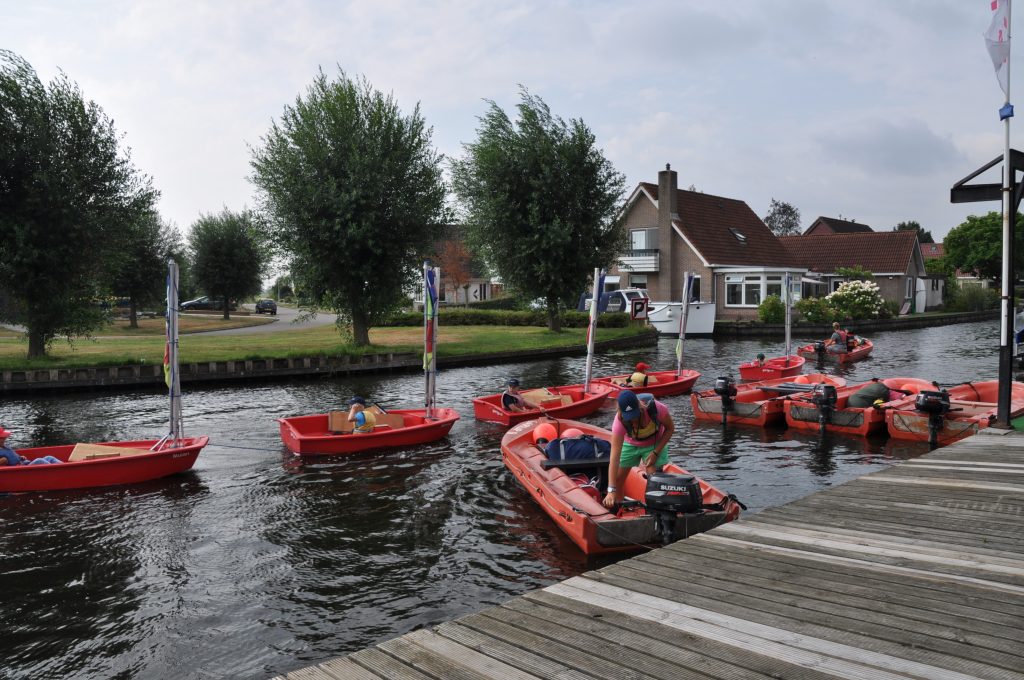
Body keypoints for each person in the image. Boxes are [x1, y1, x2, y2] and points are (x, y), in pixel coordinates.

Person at [602, 390, 675, 509]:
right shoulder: (619, 422)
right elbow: (614, 458)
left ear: (640, 406)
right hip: (630, 444)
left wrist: (656, 452)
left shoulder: (658, 408)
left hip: (654, 443)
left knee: (654, 478)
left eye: (635, 415)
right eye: (629, 417)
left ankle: (654, 510)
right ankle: (621, 508)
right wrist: (611, 490)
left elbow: (670, 429)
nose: (633, 420)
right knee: (617, 479)